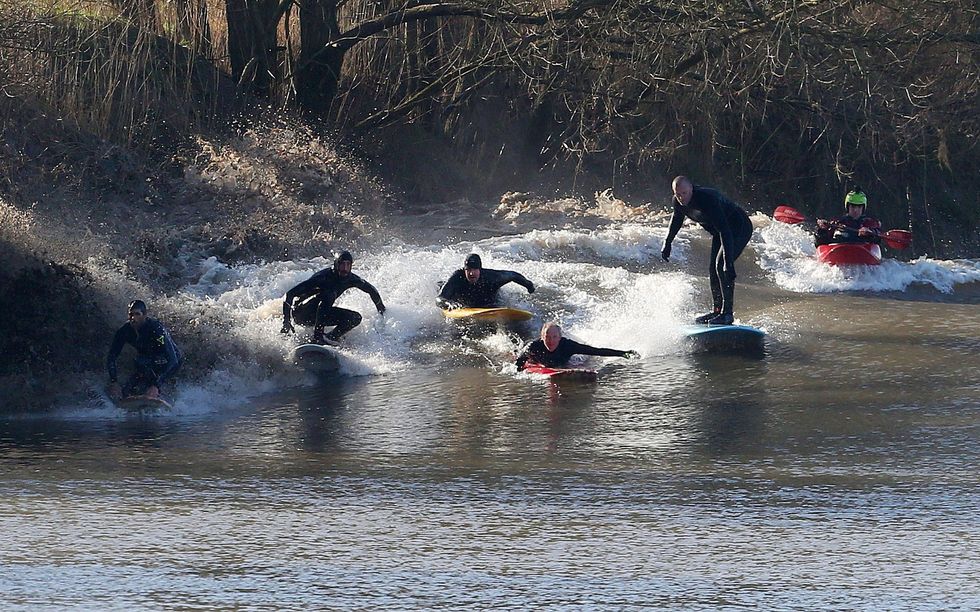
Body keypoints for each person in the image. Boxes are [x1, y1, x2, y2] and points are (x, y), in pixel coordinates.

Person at [660, 176, 753, 326]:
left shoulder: (706, 198)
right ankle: (717, 310)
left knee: (721, 265)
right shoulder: (678, 202)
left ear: (691, 189)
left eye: (684, 193)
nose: (681, 198)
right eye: (678, 194)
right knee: (713, 269)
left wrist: (728, 262)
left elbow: (725, 230)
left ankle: (727, 314)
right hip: (719, 232)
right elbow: (676, 220)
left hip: (738, 227)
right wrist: (667, 242)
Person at [281, 250, 386, 345]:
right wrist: (286, 321)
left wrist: (382, 310)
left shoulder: (351, 279)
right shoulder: (323, 277)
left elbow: (371, 290)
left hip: (319, 314)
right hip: (302, 312)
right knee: (329, 294)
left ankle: (329, 338)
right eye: (342, 264)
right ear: (336, 264)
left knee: (355, 318)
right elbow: (289, 294)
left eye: (348, 265)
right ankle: (318, 337)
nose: (345, 269)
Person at [106, 300, 182, 400]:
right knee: (127, 390)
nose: (133, 318)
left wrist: (156, 385)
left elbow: (173, 360)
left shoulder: (156, 329)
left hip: (170, 361)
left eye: (137, 314)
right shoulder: (124, 331)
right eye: (131, 314)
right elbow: (112, 357)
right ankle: (140, 392)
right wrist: (114, 381)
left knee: (143, 363)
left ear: (145, 315)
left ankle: (159, 392)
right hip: (148, 361)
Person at [515, 322, 638, 370]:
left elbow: (596, 351)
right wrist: (522, 368)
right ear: (542, 337)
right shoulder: (533, 347)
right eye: (547, 337)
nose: (551, 341)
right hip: (538, 361)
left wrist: (623, 353)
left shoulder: (568, 346)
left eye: (554, 337)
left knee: (587, 356)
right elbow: (519, 362)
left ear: (560, 337)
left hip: (562, 362)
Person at [436, 253, 535, 309]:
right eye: (468, 270)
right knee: (441, 286)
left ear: (480, 269)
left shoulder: (491, 277)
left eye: (475, 269)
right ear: (464, 270)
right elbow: (439, 299)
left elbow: (513, 275)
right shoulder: (458, 277)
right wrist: (447, 304)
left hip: (488, 302)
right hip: (463, 302)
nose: (471, 273)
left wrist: (529, 285)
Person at [815, 190, 881, 246]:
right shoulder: (837, 223)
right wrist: (822, 230)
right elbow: (820, 243)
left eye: (859, 207)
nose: (855, 210)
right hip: (839, 253)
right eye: (852, 206)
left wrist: (870, 233)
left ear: (863, 208)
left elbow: (878, 238)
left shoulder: (870, 224)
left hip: (862, 253)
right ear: (847, 207)